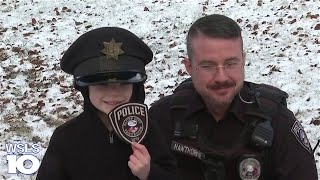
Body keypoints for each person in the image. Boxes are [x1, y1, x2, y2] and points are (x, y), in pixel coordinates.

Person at [149, 14, 318, 180]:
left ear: (243, 60)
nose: (221, 77)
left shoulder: (278, 122)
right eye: (208, 66)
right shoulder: (163, 119)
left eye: (231, 64)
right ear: (189, 66)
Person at [36, 27, 178, 180]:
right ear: (85, 88)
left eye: (123, 83)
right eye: (101, 84)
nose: (113, 93)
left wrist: (150, 173)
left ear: (136, 87)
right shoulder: (66, 139)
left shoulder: (149, 130)